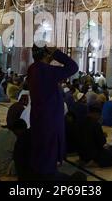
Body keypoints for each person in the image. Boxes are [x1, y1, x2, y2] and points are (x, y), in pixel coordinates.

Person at [27, 45, 79, 178]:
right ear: (46, 55)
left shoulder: (32, 69)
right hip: (50, 117)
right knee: (49, 150)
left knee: (40, 147)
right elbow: (73, 67)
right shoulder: (47, 70)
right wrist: (56, 52)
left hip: (39, 116)